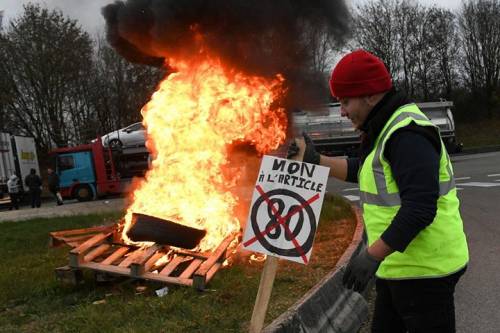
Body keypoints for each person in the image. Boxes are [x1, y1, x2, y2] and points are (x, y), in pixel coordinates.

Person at [288, 49, 468, 332]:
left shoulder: (407, 134)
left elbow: (420, 209)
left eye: (346, 101)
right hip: (399, 267)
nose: (343, 111)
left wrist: (372, 255)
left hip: (426, 274)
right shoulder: (384, 128)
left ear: (370, 96)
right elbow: (367, 170)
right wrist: (315, 160)